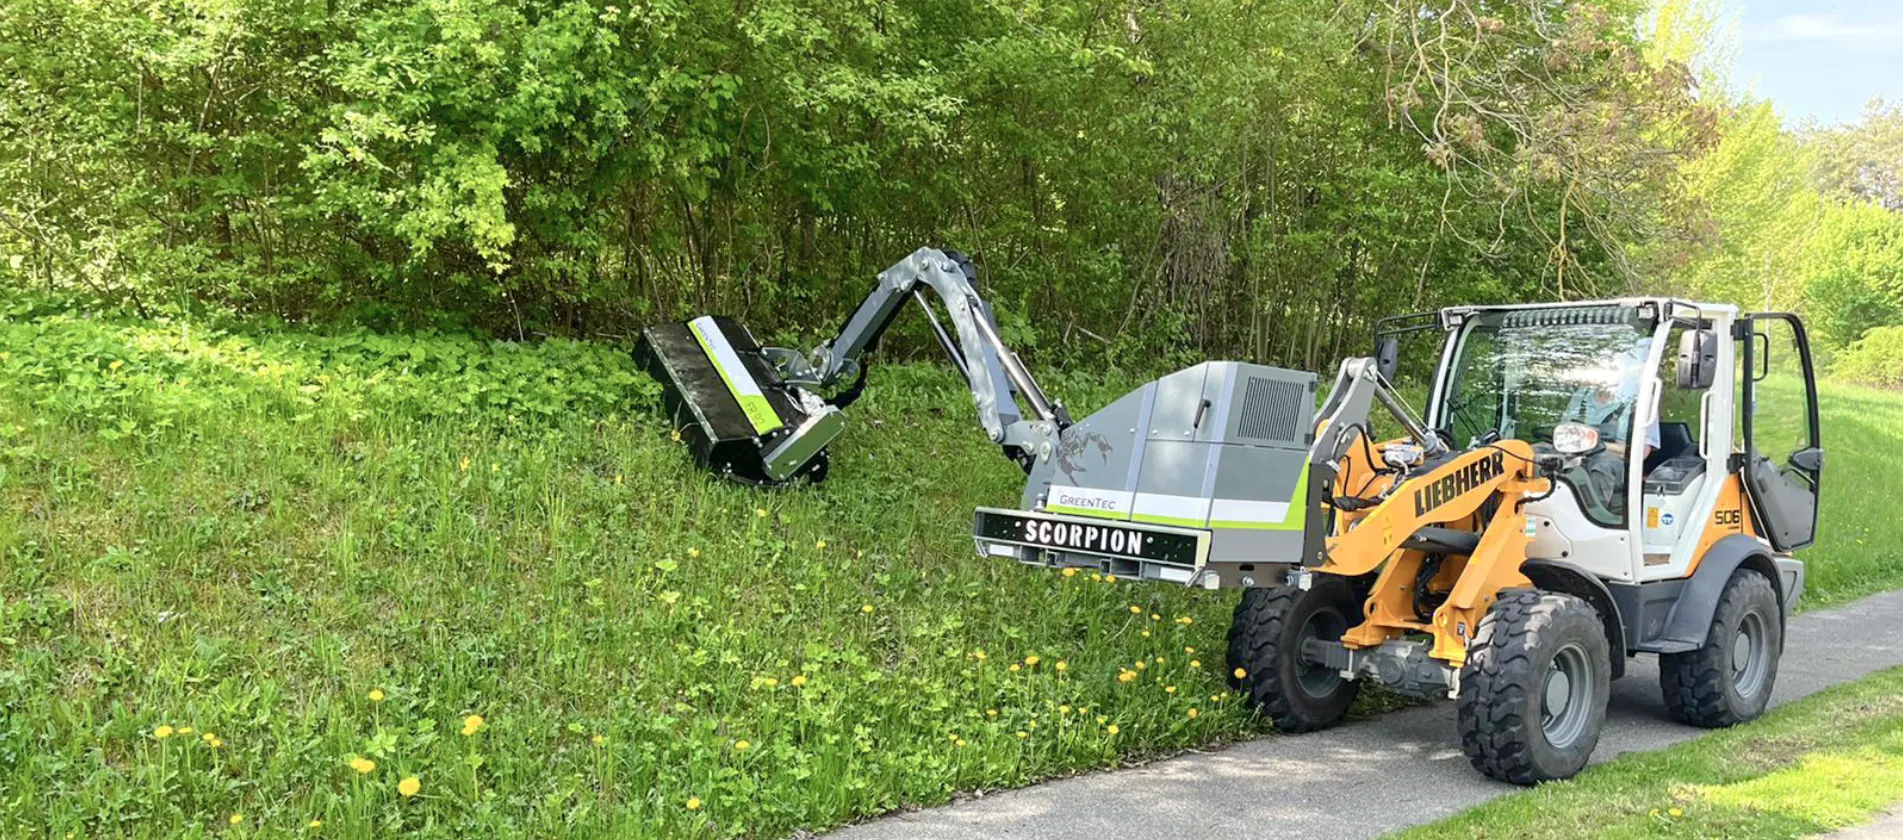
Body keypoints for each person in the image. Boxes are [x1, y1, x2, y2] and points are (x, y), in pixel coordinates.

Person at [1561, 377, 1659, 517]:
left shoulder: (1640, 398)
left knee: (1603, 466)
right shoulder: (1582, 395)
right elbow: (1563, 431)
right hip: (1573, 453)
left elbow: (1641, 452)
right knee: (1535, 454)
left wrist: (1596, 444)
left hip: (1617, 462)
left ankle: (1591, 519)